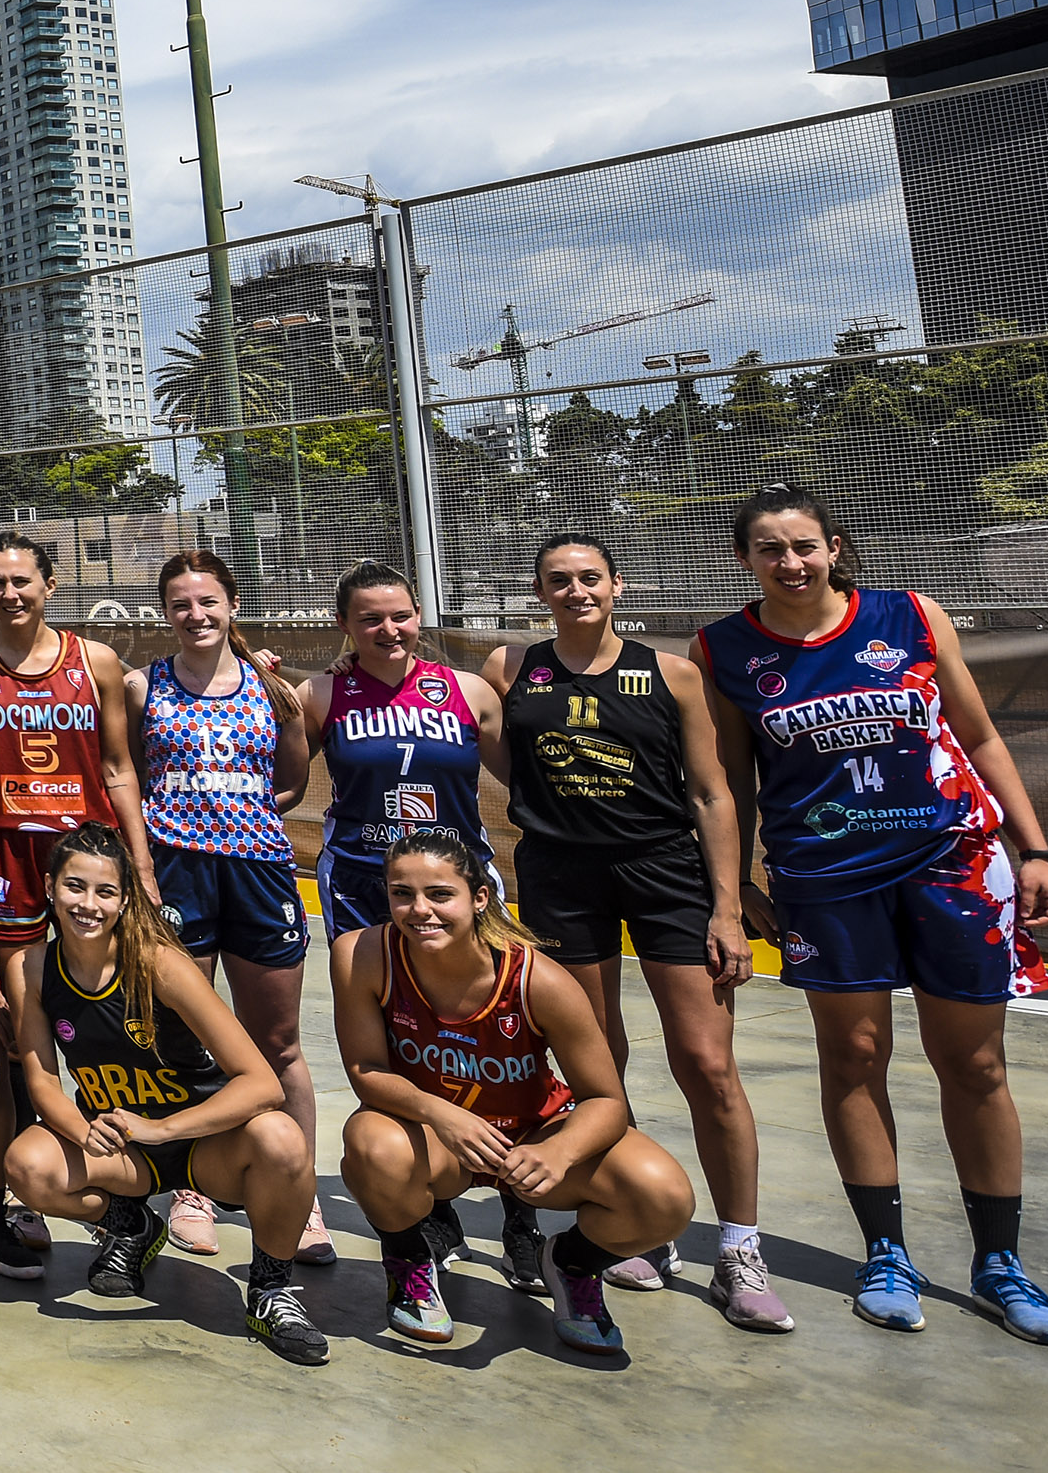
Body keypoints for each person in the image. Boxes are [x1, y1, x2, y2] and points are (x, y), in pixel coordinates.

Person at [697, 482, 1048, 1345]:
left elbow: (979, 738)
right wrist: (733, 892)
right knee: (855, 1055)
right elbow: (728, 785)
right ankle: (887, 1252)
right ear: (745, 560)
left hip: (952, 863)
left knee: (974, 1065)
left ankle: (1000, 1263)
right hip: (823, 878)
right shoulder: (725, 649)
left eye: (804, 546)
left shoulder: (909, 616)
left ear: (835, 548)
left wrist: (1036, 848)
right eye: (769, 550)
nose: (790, 563)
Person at [485, 533, 778, 1329]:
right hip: (561, 877)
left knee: (708, 1063)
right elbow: (497, 754)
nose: (576, 590)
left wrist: (726, 905)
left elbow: (713, 796)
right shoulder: (510, 669)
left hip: (663, 875)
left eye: (590, 578)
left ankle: (740, 1248)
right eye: (558, 580)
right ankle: (636, 1219)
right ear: (538, 592)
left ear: (617, 585)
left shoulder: (673, 673)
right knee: (596, 1063)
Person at [337, 833, 694, 1356]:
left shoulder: (537, 978)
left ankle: (572, 1264)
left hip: (530, 1134)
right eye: (401, 894)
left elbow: (606, 1100)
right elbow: (366, 1070)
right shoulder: (363, 954)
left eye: (440, 894)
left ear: (479, 897)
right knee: (370, 1143)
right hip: (441, 1140)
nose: (419, 911)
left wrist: (558, 1152)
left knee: (663, 1197)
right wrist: (445, 1117)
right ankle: (409, 1261)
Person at [5, 832, 331, 1366]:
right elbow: (42, 1080)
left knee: (282, 1138)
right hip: (127, 1150)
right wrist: (80, 1129)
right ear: (49, 887)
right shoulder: (31, 968)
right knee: (29, 1165)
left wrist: (163, 1129)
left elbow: (261, 1083)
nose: (88, 904)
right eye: (74, 887)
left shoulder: (160, 965)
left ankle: (271, 1291)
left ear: (126, 899)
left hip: (201, 1145)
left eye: (105, 892)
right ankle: (133, 1226)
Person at [0, 533, 150, 1283]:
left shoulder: (95, 662)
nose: (9, 593)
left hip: (84, 873)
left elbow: (119, 768)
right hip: (0, 873)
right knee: (8, 1047)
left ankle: (128, 1188)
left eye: (22, 580)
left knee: (101, 1034)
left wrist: (141, 869)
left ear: (51, 585)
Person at [120, 550, 327, 1267]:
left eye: (208, 602)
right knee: (184, 1039)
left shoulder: (276, 691)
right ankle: (192, 1186)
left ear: (232, 604)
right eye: (180, 604)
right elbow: (128, 776)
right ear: (165, 613)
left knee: (279, 1045)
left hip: (260, 875)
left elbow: (294, 782)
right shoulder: (143, 688)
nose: (196, 615)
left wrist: (239, 814)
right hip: (176, 875)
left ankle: (300, 1195)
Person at [296, 560, 497, 950]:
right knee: (370, 996)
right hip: (360, 872)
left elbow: (520, 778)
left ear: (418, 616)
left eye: (402, 616)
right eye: (371, 620)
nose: (390, 630)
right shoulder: (318, 694)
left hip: (455, 873)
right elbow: (280, 778)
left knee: (467, 999)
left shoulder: (470, 690)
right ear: (343, 623)